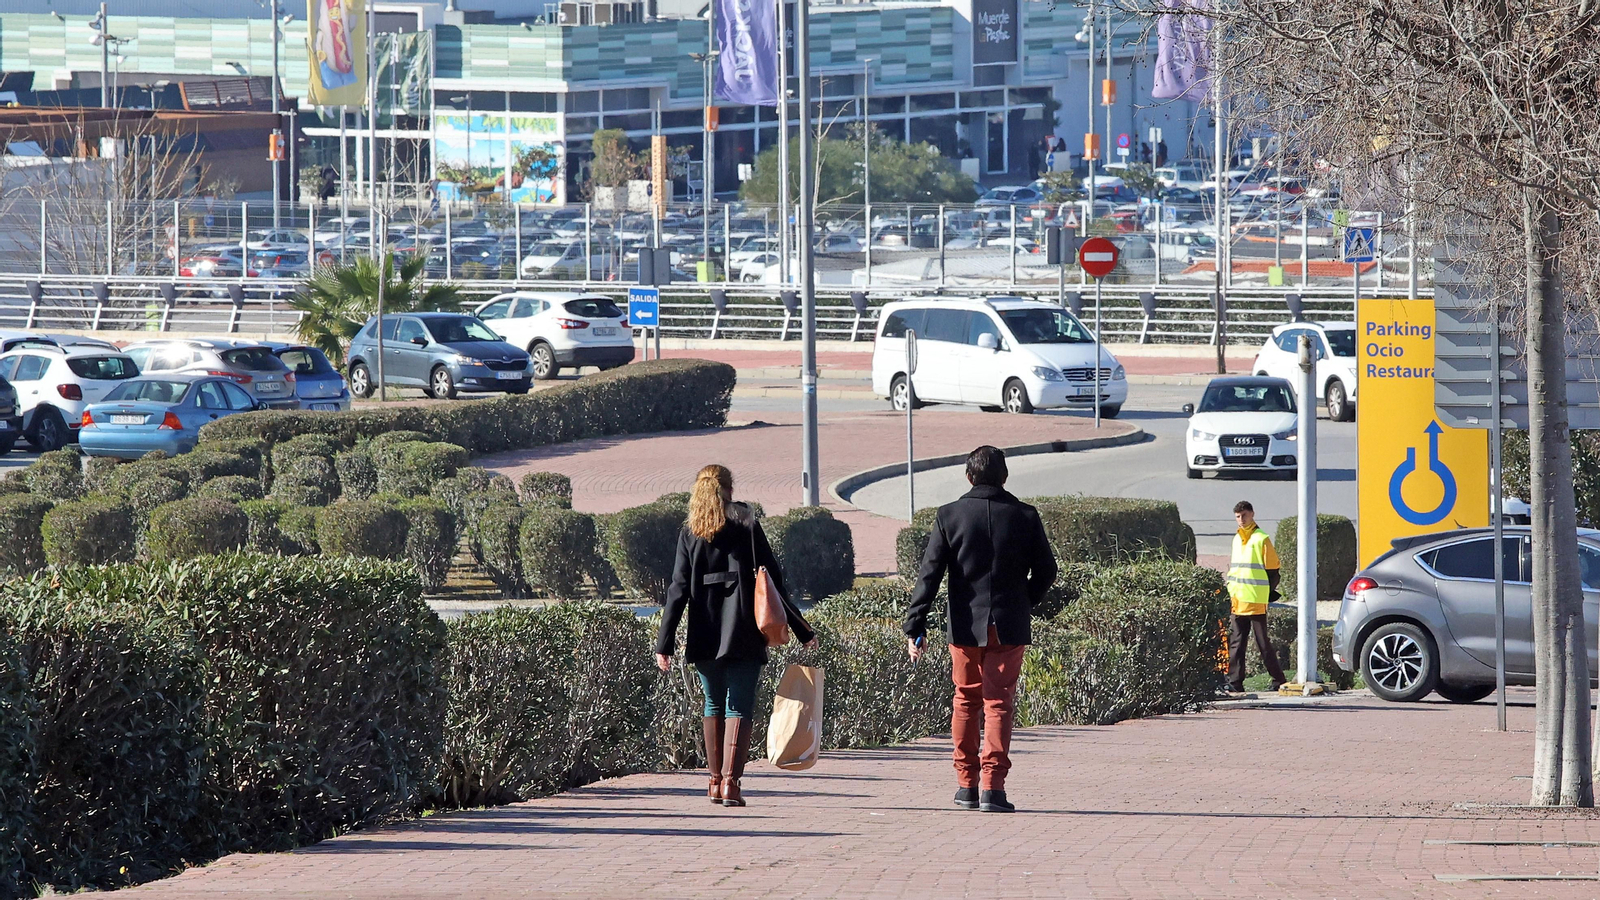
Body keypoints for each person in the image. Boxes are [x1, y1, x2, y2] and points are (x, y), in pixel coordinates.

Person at [902, 446, 1057, 814]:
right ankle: (993, 789)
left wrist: (915, 624)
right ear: (1005, 476)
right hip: (1009, 623)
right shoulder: (1025, 515)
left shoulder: (949, 515)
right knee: (999, 703)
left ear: (969, 477)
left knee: (965, 701)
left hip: (964, 626)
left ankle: (966, 785)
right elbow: (1047, 570)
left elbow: (929, 575)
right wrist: (1024, 601)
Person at [655, 464, 816, 808]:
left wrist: (664, 643)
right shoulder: (747, 523)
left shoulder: (690, 531)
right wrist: (802, 630)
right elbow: (772, 581)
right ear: (729, 489)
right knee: (739, 705)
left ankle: (714, 782)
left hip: (704, 631)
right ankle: (732, 784)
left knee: (712, 703)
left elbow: (678, 589)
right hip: (743, 629)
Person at [1226, 500, 1287, 694]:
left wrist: (1266, 592)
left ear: (1252, 514)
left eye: (1244, 515)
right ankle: (1235, 683)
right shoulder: (1236, 539)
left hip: (1255, 600)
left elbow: (1273, 570)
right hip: (1238, 599)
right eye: (1238, 516)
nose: (1241, 520)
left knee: (1262, 643)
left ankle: (1279, 680)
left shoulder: (1261, 539)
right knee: (1236, 643)